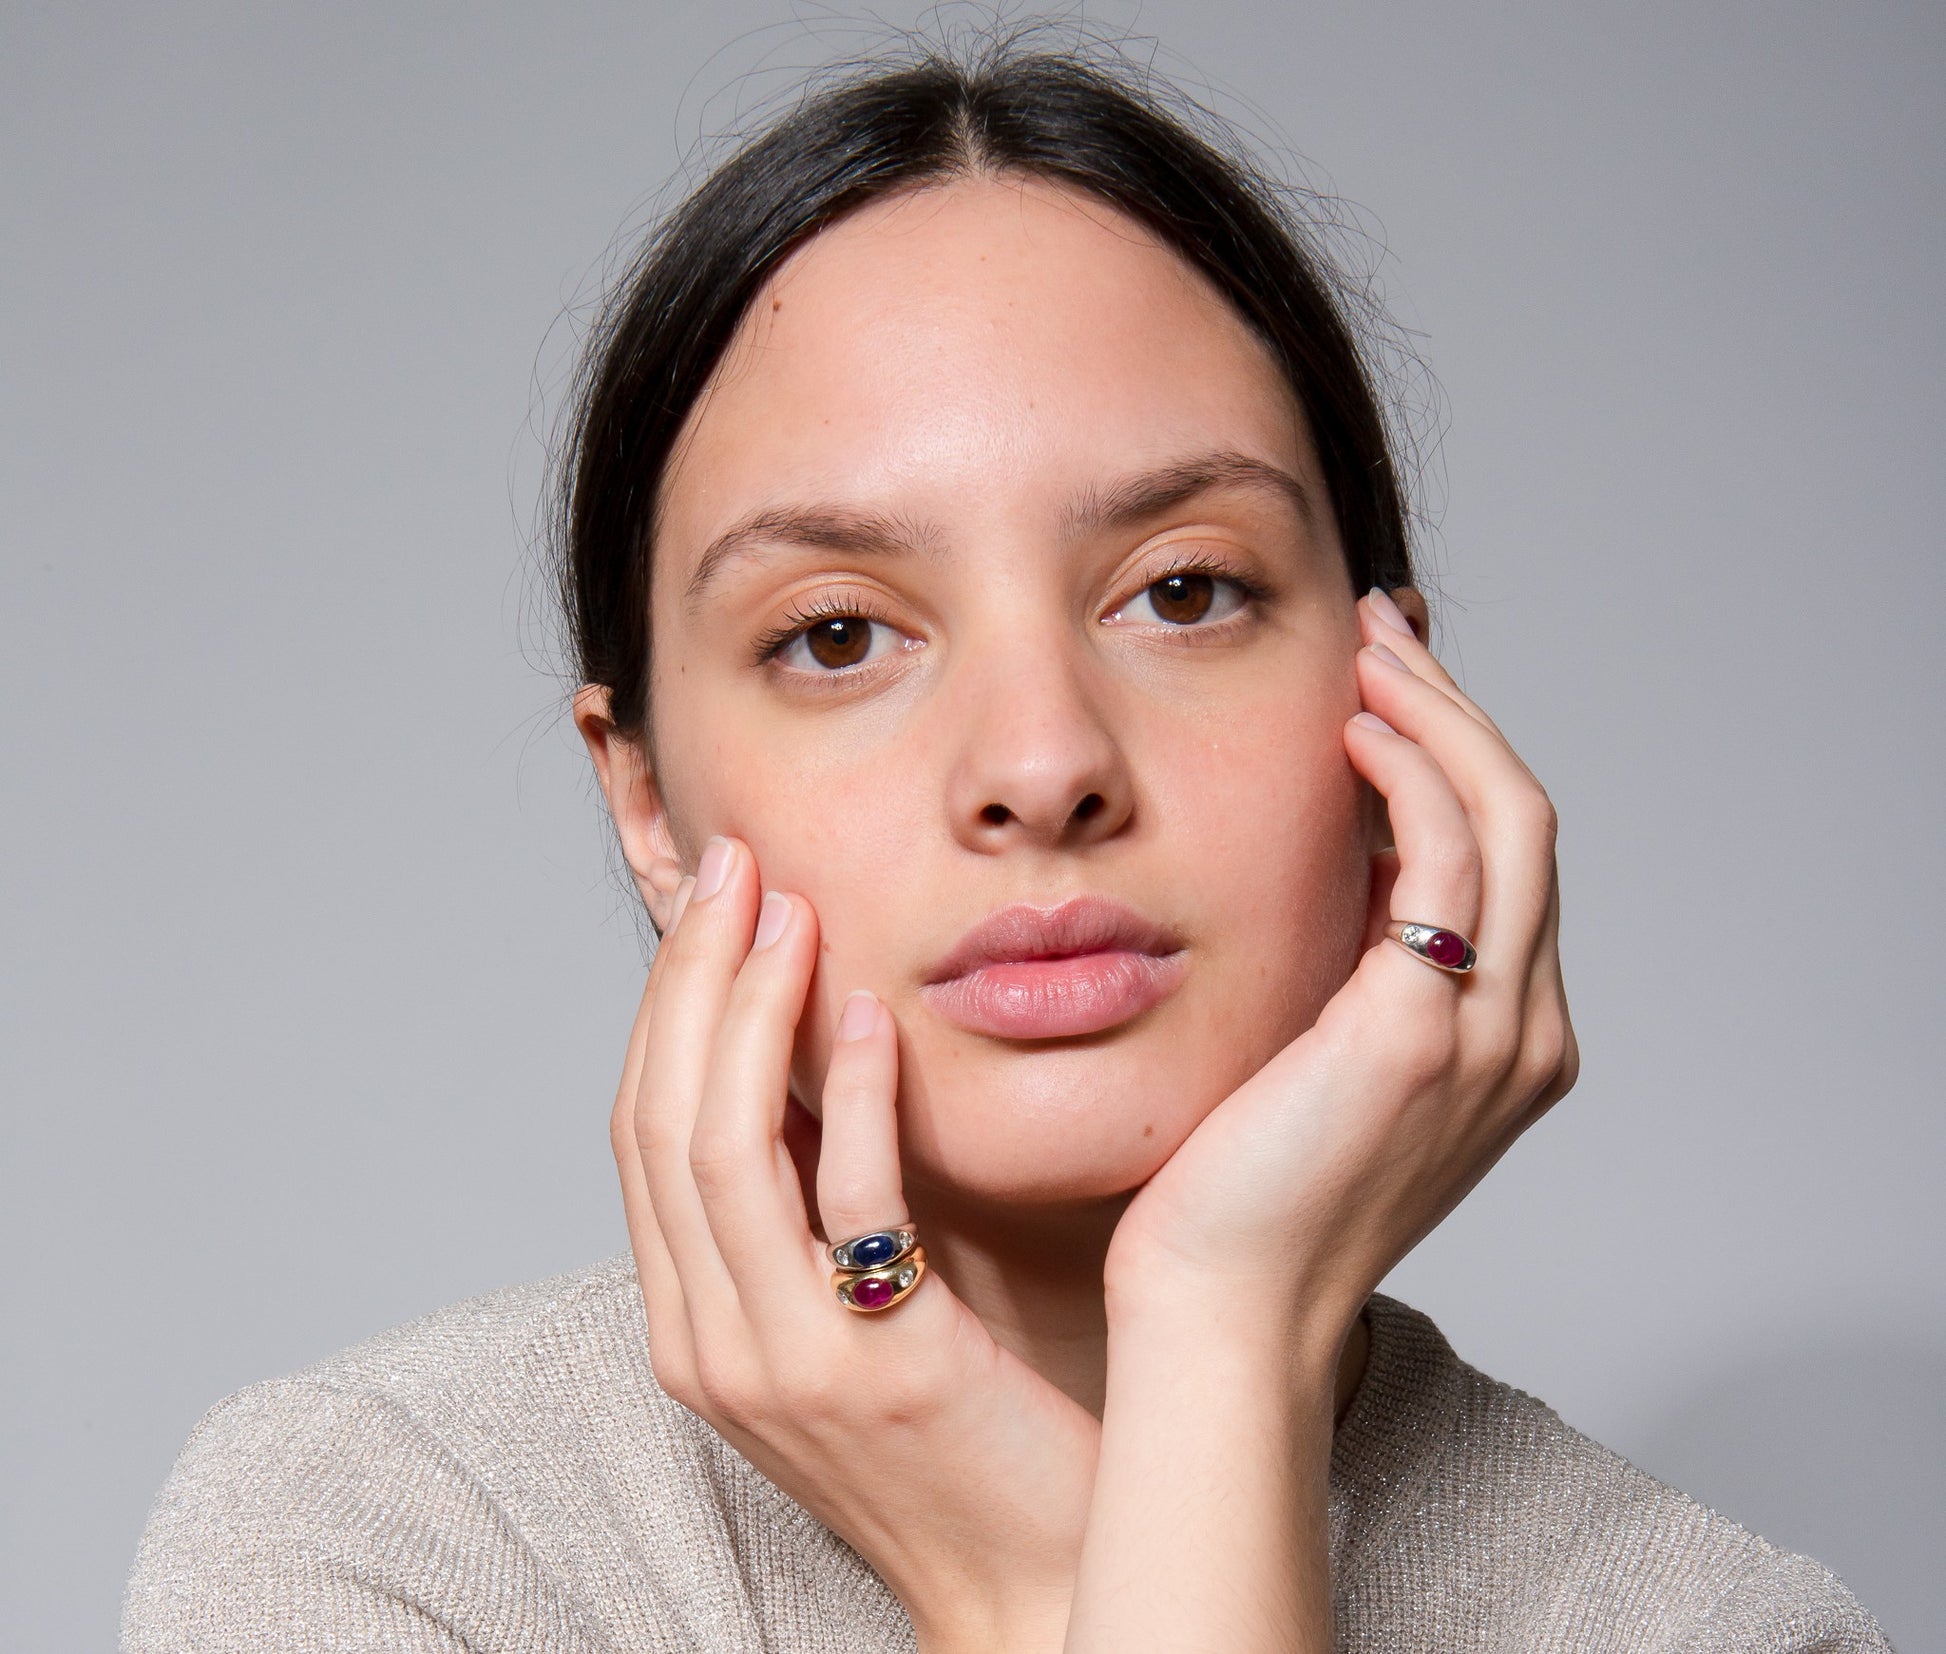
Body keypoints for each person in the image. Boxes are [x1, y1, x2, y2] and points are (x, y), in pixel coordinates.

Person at [121, 34, 1891, 1654]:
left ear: (1390, 710)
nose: (1040, 766)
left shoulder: (1707, 1625)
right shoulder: (388, 1541)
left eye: (1181, 591)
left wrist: (1219, 1331)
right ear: (645, 802)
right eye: (836, 633)